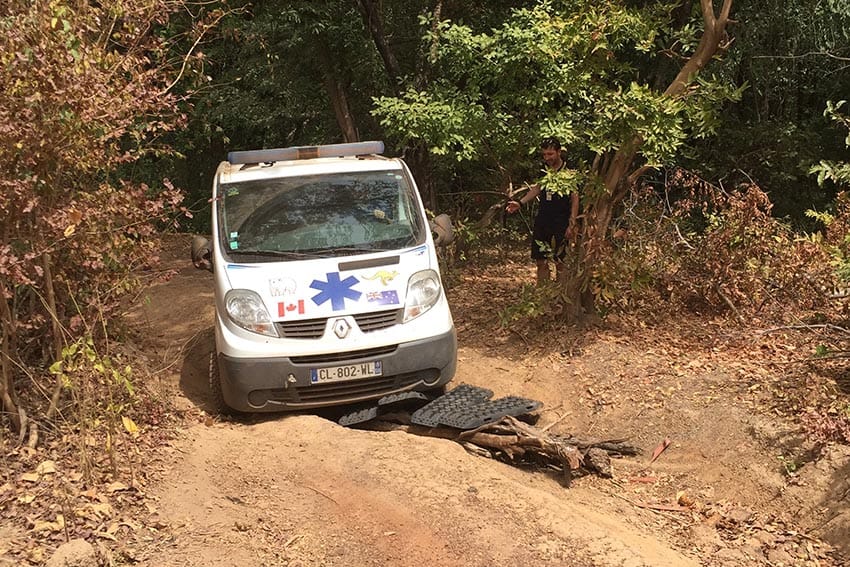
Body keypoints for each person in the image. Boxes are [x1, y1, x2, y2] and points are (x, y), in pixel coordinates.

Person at [506, 137, 580, 285]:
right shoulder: (544, 169)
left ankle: (560, 296)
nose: (547, 158)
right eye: (545, 154)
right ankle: (542, 296)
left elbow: (575, 198)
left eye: (550, 154)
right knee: (541, 261)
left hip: (561, 221)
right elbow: (538, 187)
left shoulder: (569, 171)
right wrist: (520, 202)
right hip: (543, 219)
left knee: (561, 262)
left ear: (559, 152)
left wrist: (572, 223)